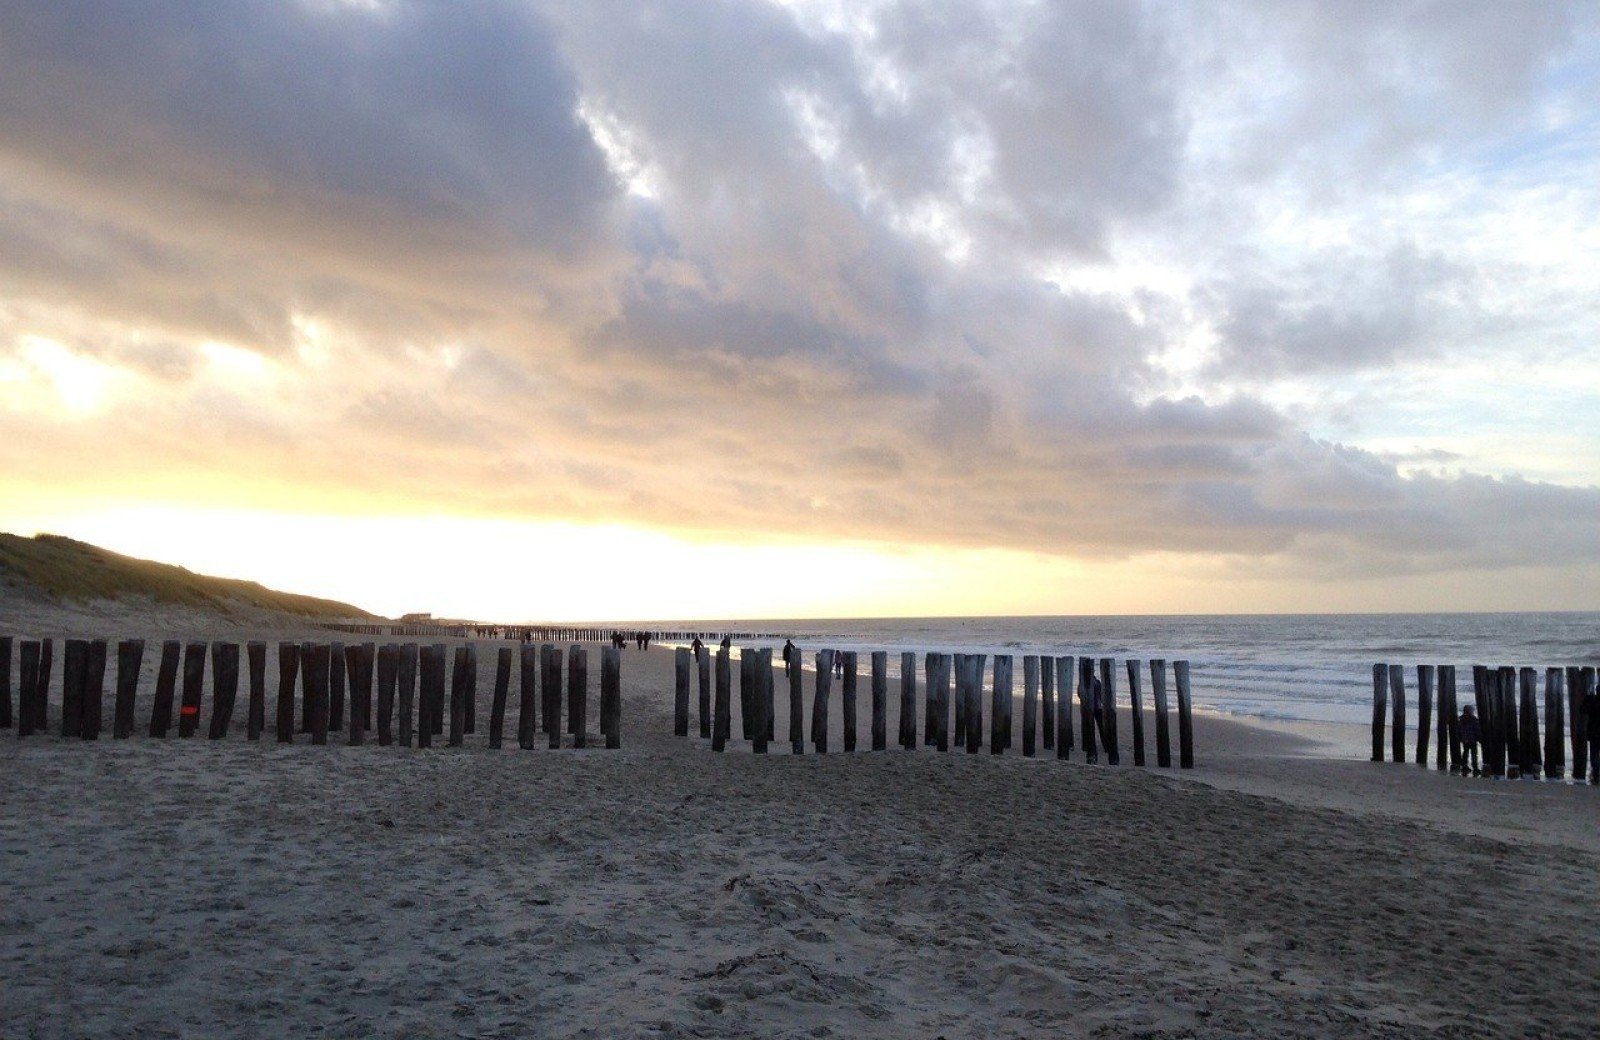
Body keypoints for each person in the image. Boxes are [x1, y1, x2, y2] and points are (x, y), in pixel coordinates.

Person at [1581, 687, 1600, 784]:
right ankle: (1596, 775)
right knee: (1595, 756)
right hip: (1595, 733)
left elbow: (1582, 710)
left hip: (1594, 734)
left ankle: (1596, 776)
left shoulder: (1593, 702)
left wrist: (1588, 697)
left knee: (1594, 755)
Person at [1458, 704, 1480, 776]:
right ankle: (1475, 768)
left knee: (1465, 753)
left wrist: (1460, 738)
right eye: (1472, 710)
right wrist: (1479, 738)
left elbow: (1459, 730)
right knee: (1473, 754)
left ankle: (1464, 766)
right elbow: (1477, 730)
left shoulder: (1461, 719)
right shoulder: (1474, 720)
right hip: (1472, 740)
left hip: (1465, 739)